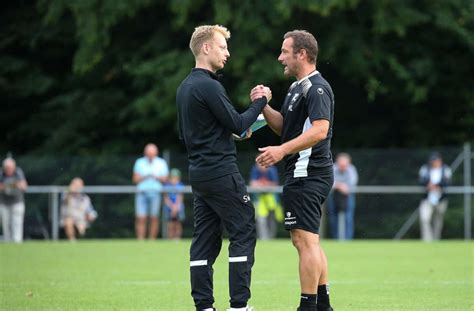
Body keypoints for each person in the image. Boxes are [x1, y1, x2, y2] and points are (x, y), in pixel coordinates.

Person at [176, 24, 271, 311]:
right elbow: (240, 123)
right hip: (221, 172)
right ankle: (239, 306)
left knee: (204, 241)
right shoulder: (209, 85)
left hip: (199, 175)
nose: (227, 53)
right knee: (243, 231)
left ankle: (204, 307)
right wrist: (261, 102)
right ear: (206, 48)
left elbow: (195, 134)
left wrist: (233, 132)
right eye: (222, 47)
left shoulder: (185, 88)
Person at [252, 30, 335, 311]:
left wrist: (281, 150)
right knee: (308, 240)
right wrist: (263, 106)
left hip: (308, 172)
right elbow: (285, 127)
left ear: (301, 54)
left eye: (285, 51)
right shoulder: (296, 87)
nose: (280, 57)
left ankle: (307, 306)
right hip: (301, 172)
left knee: (304, 241)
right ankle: (322, 305)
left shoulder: (316, 87)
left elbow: (320, 130)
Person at [132, 143, 169, 240]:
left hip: (156, 193)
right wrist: (145, 176)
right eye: (148, 153)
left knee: (154, 217)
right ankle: (140, 240)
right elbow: (135, 179)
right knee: (141, 217)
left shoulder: (161, 163)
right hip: (142, 193)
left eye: (152, 154)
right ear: (145, 153)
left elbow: (165, 179)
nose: (150, 156)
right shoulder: (139, 162)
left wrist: (156, 177)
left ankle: (152, 240)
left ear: (156, 153)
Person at [418, 152, 452, 241]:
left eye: (436, 160)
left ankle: (436, 238)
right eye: (433, 160)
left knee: (438, 220)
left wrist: (436, 185)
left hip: (440, 198)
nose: (434, 162)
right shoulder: (425, 169)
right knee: (424, 218)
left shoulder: (446, 169)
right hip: (427, 198)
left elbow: (447, 182)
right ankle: (427, 239)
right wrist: (428, 185)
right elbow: (421, 181)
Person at [327, 153, 358, 240]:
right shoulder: (332, 168)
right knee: (333, 218)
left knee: (348, 218)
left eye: (345, 165)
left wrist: (345, 188)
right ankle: (336, 238)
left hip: (348, 196)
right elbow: (329, 182)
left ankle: (348, 239)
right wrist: (339, 186)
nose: (343, 167)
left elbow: (353, 182)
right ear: (337, 162)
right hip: (334, 196)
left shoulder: (351, 169)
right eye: (341, 165)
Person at [249, 161, 283, 240]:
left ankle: (271, 238)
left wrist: (262, 184)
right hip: (259, 199)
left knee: (272, 219)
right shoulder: (255, 169)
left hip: (272, 200)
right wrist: (264, 184)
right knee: (261, 219)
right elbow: (252, 183)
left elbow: (274, 183)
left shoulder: (272, 169)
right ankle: (263, 238)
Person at [0, 157, 28, 243]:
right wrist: (11, 185)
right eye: (7, 168)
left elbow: (24, 186)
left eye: (11, 168)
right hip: (4, 203)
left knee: (17, 223)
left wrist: (16, 185)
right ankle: (8, 243)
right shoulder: (1, 174)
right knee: (6, 224)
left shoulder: (18, 173)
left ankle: (17, 243)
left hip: (17, 202)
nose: (9, 170)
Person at [163, 168, 185, 240]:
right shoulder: (166, 186)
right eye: (172, 177)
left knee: (178, 223)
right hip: (169, 206)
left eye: (176, 178)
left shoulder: (180, 185)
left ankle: (177, 238)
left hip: (178, 206)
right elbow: (166, 198)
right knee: (170, 223)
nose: (174, 179)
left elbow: (180, 197)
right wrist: (171, 206)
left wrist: (176, 207)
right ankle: (170, 238)